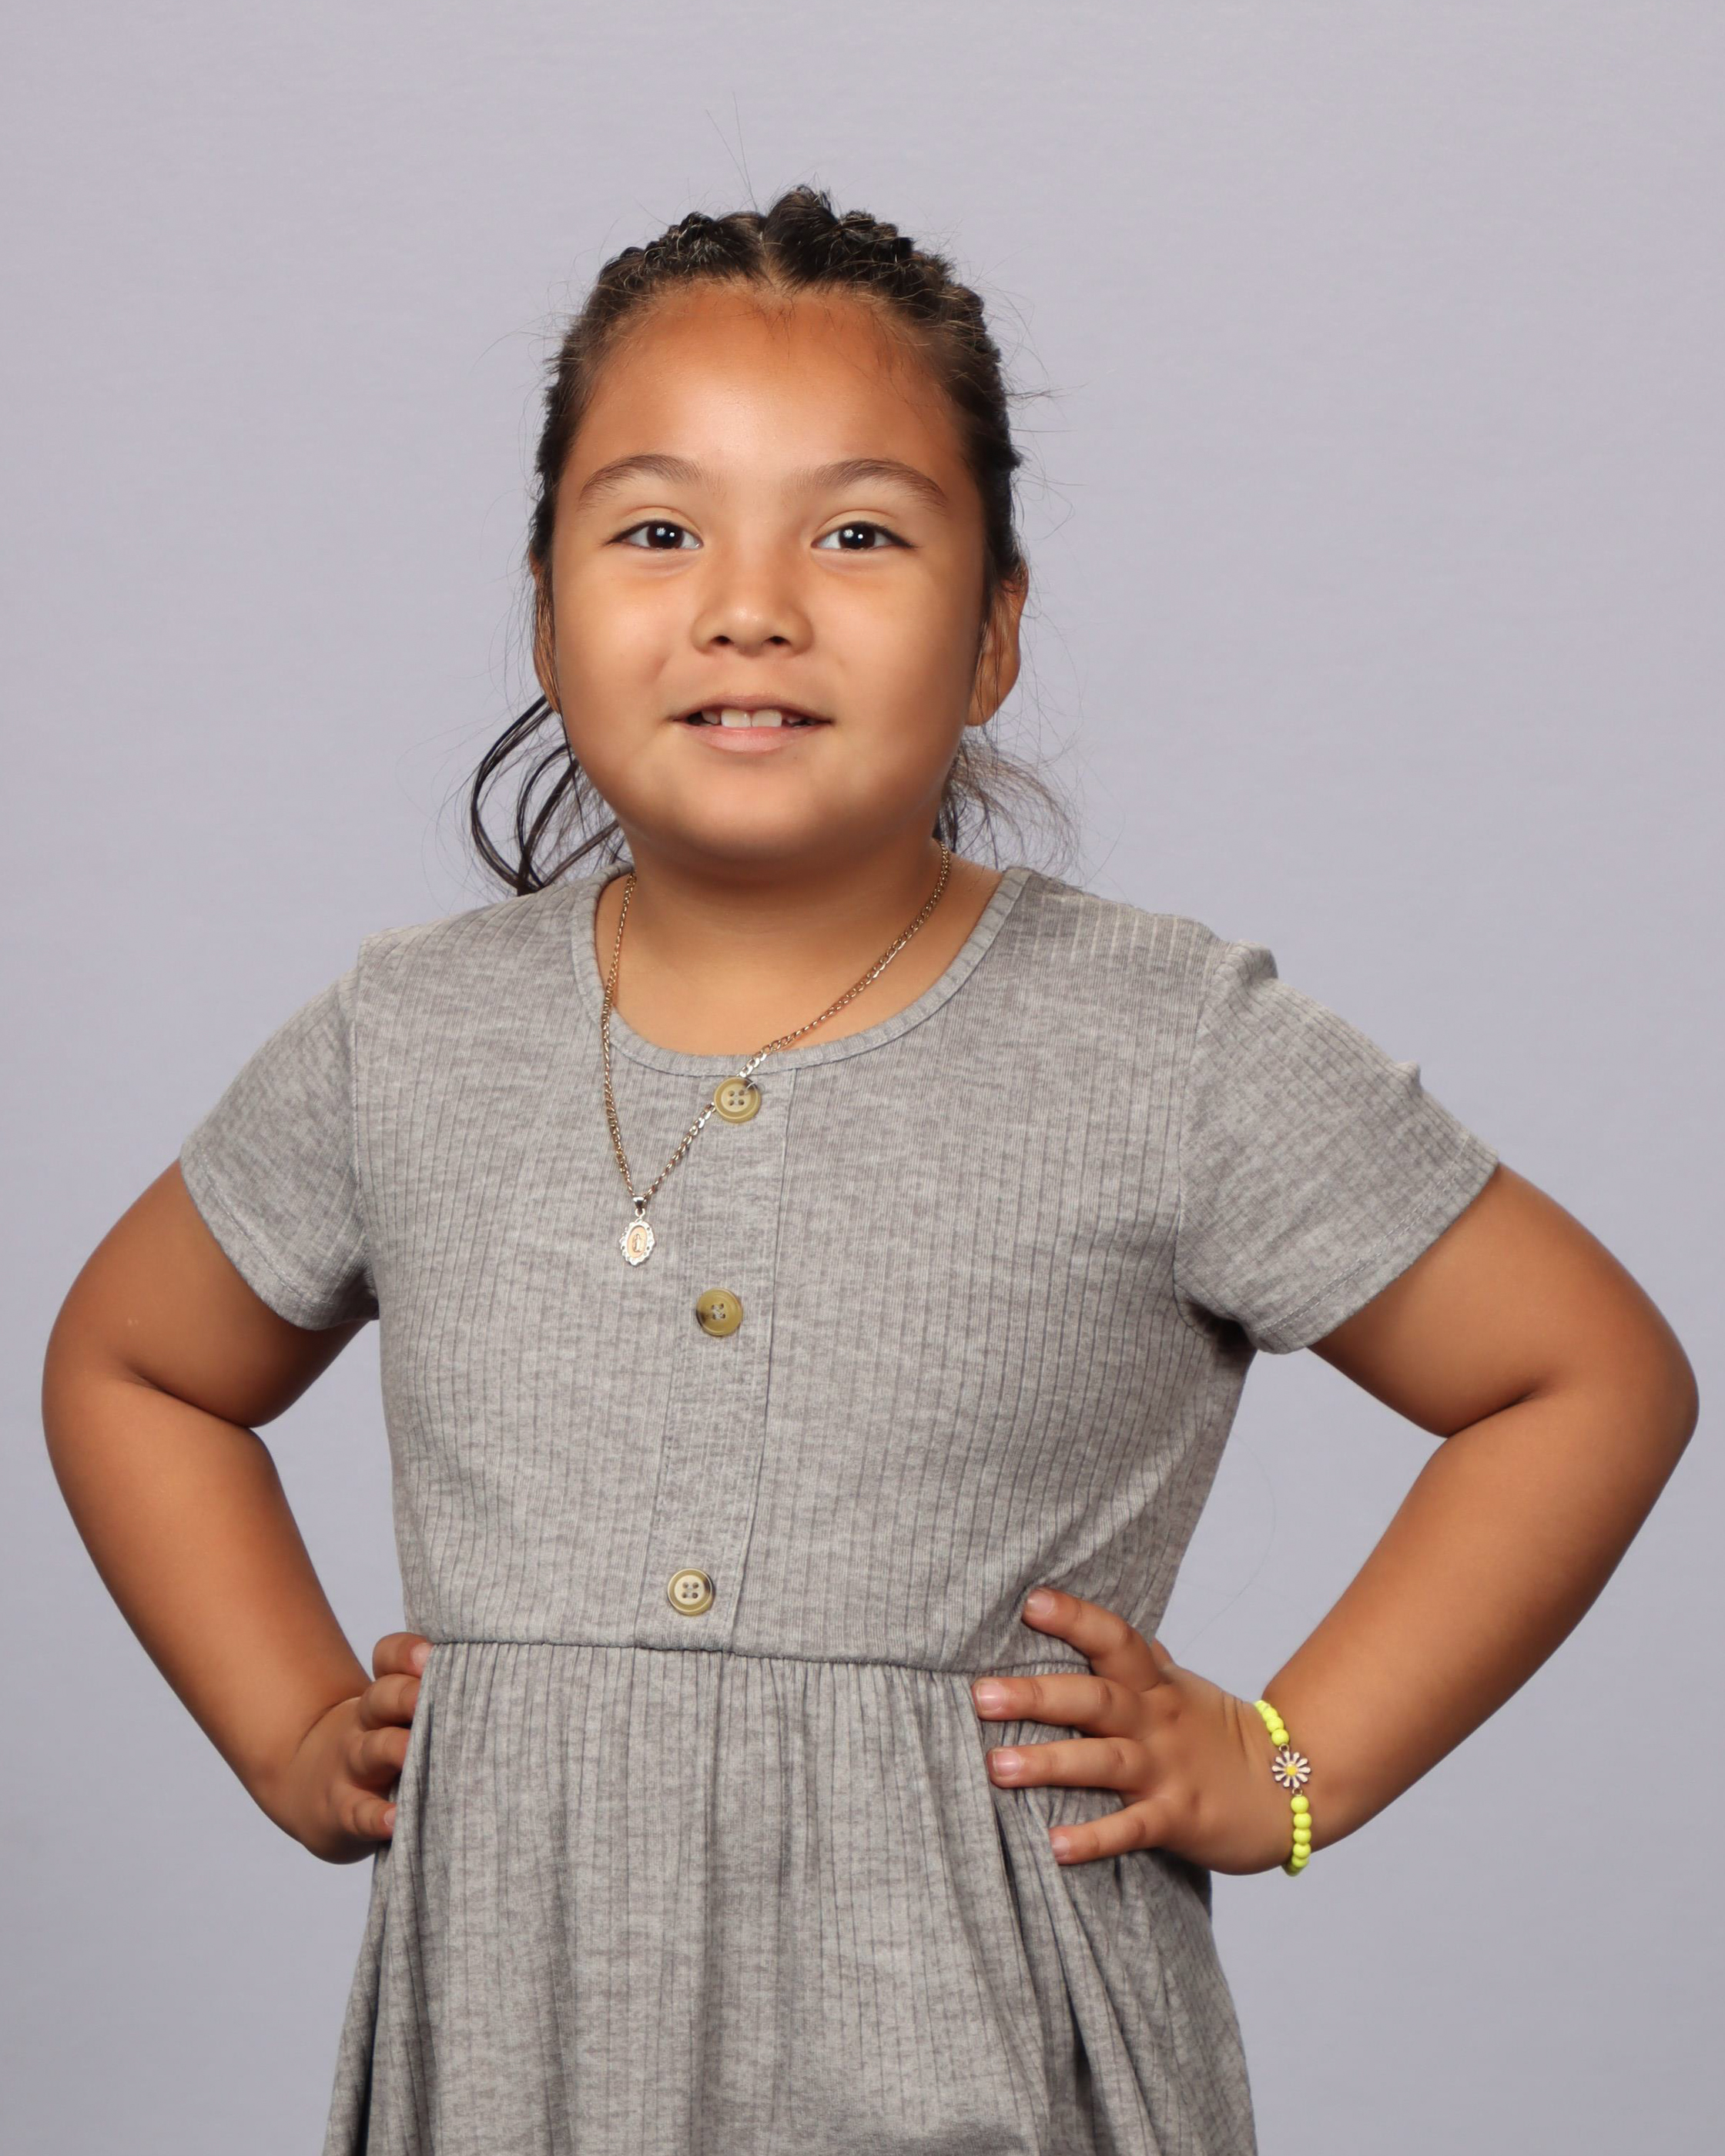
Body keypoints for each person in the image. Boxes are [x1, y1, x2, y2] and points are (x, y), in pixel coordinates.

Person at [42, 186, 1697, 2156]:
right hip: (519, 2063)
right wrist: (282, 1721)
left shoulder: (1166, 1043)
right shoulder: (404, 1035)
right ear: (547, 615)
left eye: (857, 533)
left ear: (993, 634)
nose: (750, 604)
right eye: (658, 530)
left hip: (988, 2062)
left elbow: (1585, 1373)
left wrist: (1286, 1764)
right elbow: (134, 1363)